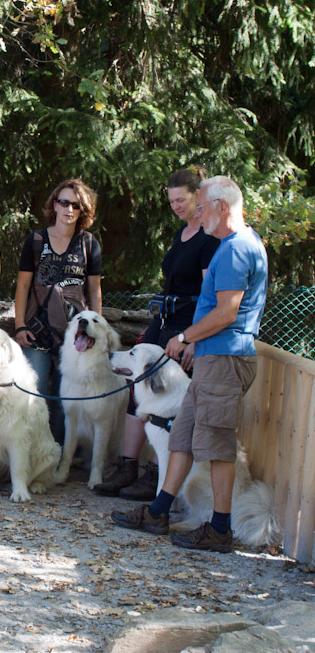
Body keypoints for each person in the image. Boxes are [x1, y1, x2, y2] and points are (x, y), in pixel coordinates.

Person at [112, 175, 268, 552]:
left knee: (215, 445)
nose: (198, 215)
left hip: (226, 360)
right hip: (213, 357)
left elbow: (228, 311)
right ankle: (159, 511)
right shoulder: (238, 245)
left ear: (223, 207)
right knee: (182, 436)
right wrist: (199, 343)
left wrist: (186, 337)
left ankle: (220, 529)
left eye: (202, 207)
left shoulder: (234, 250)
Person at [94, 167, 219, 500]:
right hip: (164, 324)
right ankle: (127, 467)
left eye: (182, 199)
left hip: (186, 328)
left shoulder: (209, 238)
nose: (176, 206)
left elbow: (210, 294)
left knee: (171, 408)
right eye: (172, 201)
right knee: (139, 392)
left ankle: (157, 476)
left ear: (198, 195)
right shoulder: (183, 233)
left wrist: (194, 338)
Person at [13, 179, 103, 444]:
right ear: (55, 204)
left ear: (83, 210)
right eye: (64, 202)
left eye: (76, 205)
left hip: (77, 335)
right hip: (36, 329)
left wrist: (97, 330)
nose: (69, 210)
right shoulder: (36, 240)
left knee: (67, 398)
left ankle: (59, 457)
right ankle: (32, 451)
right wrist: (19, 325)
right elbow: (23, 285)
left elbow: (94, 290)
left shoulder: (89, 243)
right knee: (35, 393)